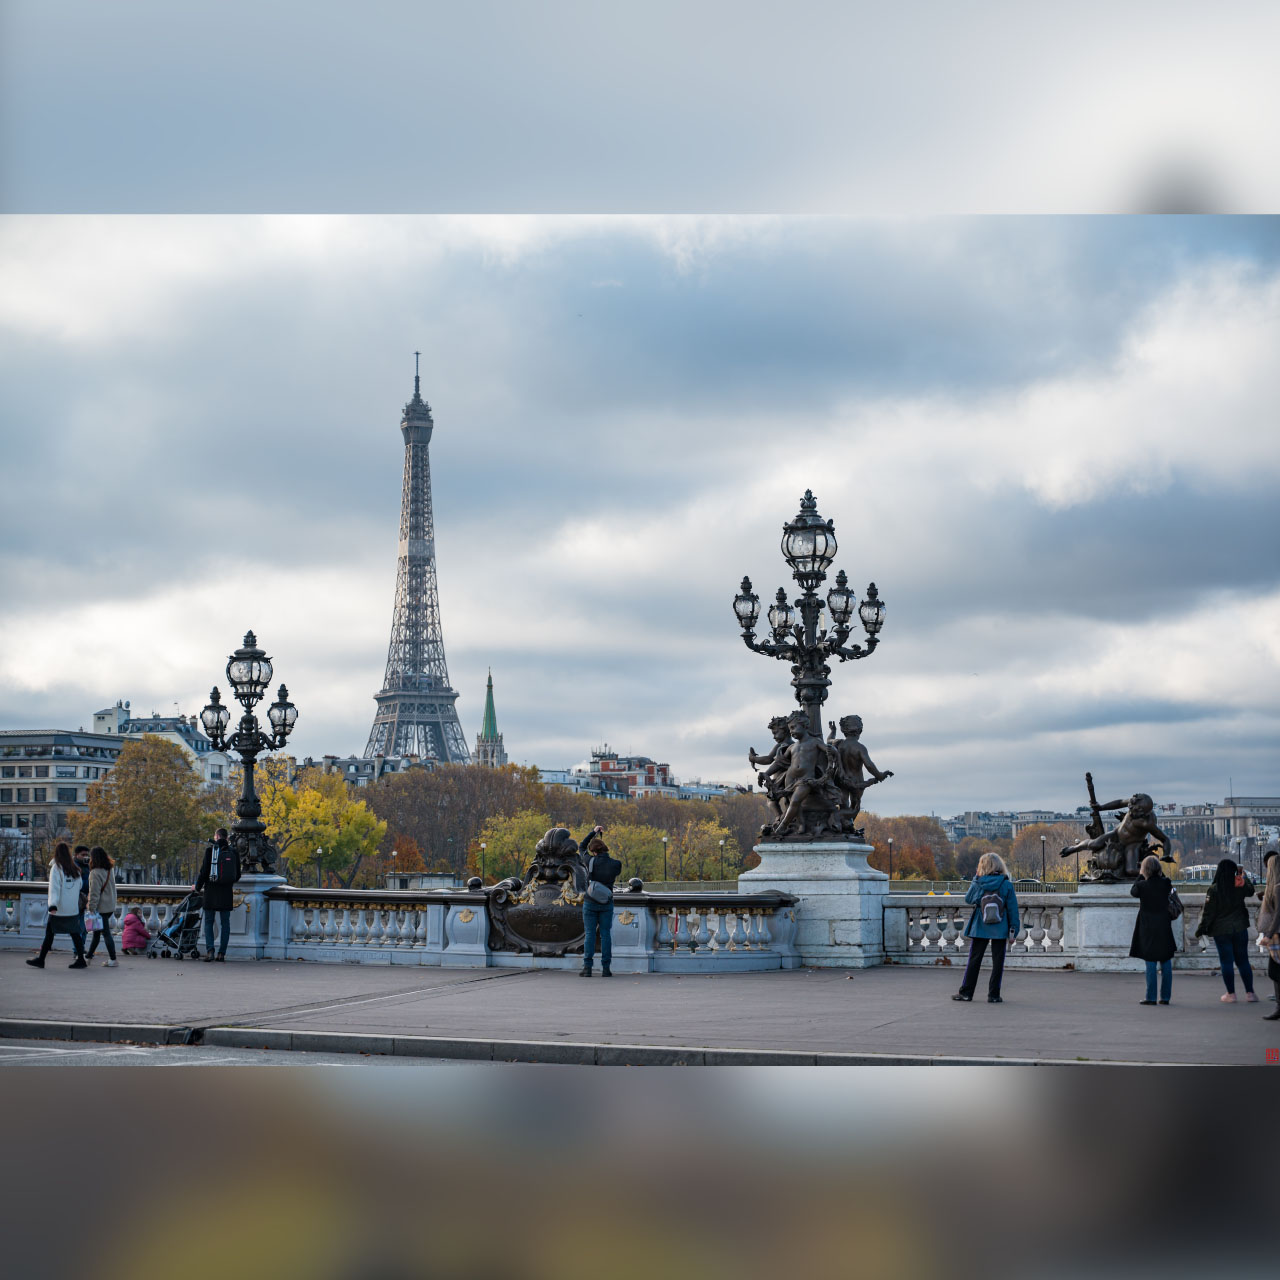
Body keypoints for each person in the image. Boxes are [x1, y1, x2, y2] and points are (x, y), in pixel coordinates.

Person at [953, 852, 1020, 1003]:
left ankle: (966, 993)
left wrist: (975, 879)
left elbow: (969, 899)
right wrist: (1014, 930)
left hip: (980, 926)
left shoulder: (980, 883)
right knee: (998, 962)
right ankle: (994, 995)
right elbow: (1012, 910)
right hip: (1000, 926)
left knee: (974, 960)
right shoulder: (1006, 884)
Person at [1195, 857, 1258, 1003]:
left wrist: (1201, 929)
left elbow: (1208, 913)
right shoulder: (1239, 886)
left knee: (1226, 962)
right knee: (1243, 961)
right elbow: (1251, 891)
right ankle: (1250, 993)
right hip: (1240, 928)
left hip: (1221, 931)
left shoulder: (1214, 889)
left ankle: (1231, 994)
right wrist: (1244, 878)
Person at [26, 842, 88, 969]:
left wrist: (53, 905)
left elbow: (54, 888)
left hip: (59, 909)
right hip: (72, 909)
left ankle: (41, 959)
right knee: (75, 934)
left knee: (49, 934)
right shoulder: (75, 869)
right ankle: (81, 959)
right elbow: (80, 886)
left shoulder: (56, 867)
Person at [1130, 854, 1177, 1005]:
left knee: (1150, 961)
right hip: (1163, 925)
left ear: (1145, 870)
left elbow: (1133, 892)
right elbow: (1164, 881)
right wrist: (1158, 871)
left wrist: (1140, 875)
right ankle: (1165, 997)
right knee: (1165, 960)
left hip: (1147, 926)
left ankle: (1150, 997)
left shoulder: (1142, 886)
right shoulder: (1166, 883)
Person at [193, 828, 240, 962]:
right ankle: (222, 953)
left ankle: (210, 951)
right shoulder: (234, 852)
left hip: (211, 891)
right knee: (225, 923)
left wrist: (197, 887)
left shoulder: (210, 851)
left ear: (217, 836)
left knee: (208, 922)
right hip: (226, 891)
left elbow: (203, 872)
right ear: (226, 838)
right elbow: (237, 875)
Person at [580, 837, 622, 978]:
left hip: (590, 901)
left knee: (590, 934)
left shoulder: (589, 861)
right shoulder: (616, 864)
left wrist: (594, 831)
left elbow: (581, 847)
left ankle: (587, 968)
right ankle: (606, 968)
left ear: (593, 851)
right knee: (605, 935)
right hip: (606, 903)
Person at [84, 845, 119, 967]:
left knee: (105, 933)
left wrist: (91, 908)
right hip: (109, 906)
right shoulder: (109, 869)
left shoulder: (95, 873)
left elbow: (94, 893)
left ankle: (113, 959)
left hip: (100, 907)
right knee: (97, 933)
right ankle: (88, 957)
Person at [1256, 846, 1279, 1021]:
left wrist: (1269, 934)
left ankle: (1279, 1006)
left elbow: (1279, 913)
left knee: (1275, 971)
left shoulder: (1278, 887)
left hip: (1277, 935)